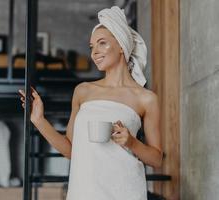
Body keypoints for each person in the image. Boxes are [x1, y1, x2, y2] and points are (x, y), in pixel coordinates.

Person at [19, 6, 162, 200]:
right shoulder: (83, 91)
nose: (95, 52)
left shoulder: (146, 98)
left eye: (102, 44)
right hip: (85, 192)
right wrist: (39, 120)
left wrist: (131, 142)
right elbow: (71, 150)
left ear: (121, 46)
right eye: (92, 47)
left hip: (126, 191)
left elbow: (156, 159)